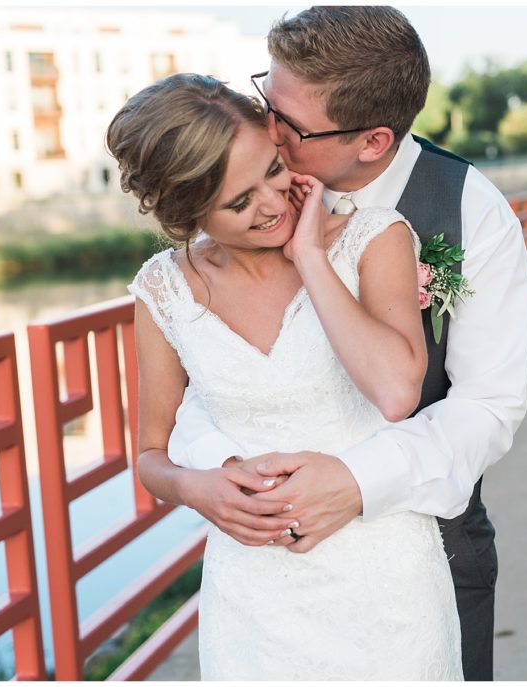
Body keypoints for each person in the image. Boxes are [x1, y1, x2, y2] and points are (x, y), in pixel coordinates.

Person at [165, 6, 527, 680]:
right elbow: (208, 369)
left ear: (371, 141)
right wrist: (223, 470)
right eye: (263, 100)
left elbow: (488, 407)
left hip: (426, 554)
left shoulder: (471, 214)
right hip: (269, 575)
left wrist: (358, 481)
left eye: (290, 125)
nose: (265, 132)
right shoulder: (248, 199)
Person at [112, 73, 463, 679]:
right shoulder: (165, 289)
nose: (272, 205)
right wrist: (198, 490)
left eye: (273, 171)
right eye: (239, 202)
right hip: (253, 596)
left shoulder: (373, 240)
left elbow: (397, 391)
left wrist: (310, 256)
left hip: (385, 580)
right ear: (184, 211)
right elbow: (150, 455)